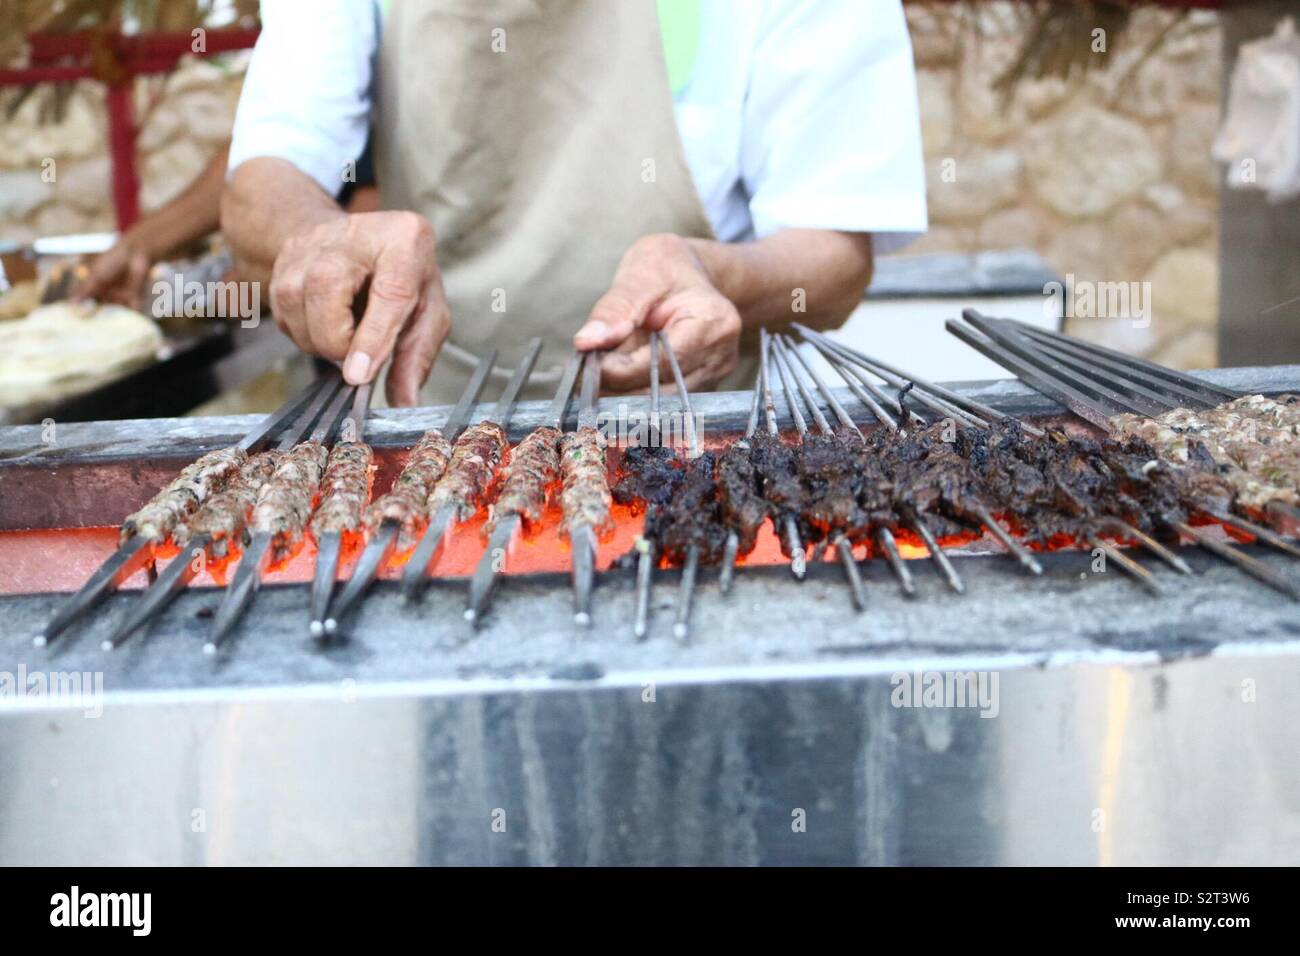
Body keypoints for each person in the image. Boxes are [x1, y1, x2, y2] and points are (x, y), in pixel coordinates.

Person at [223, 0, 927, 405]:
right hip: (428, 433)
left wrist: (719, 278)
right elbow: (264, 179)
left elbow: (834, 258)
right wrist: (316, 233)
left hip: (692, 441)